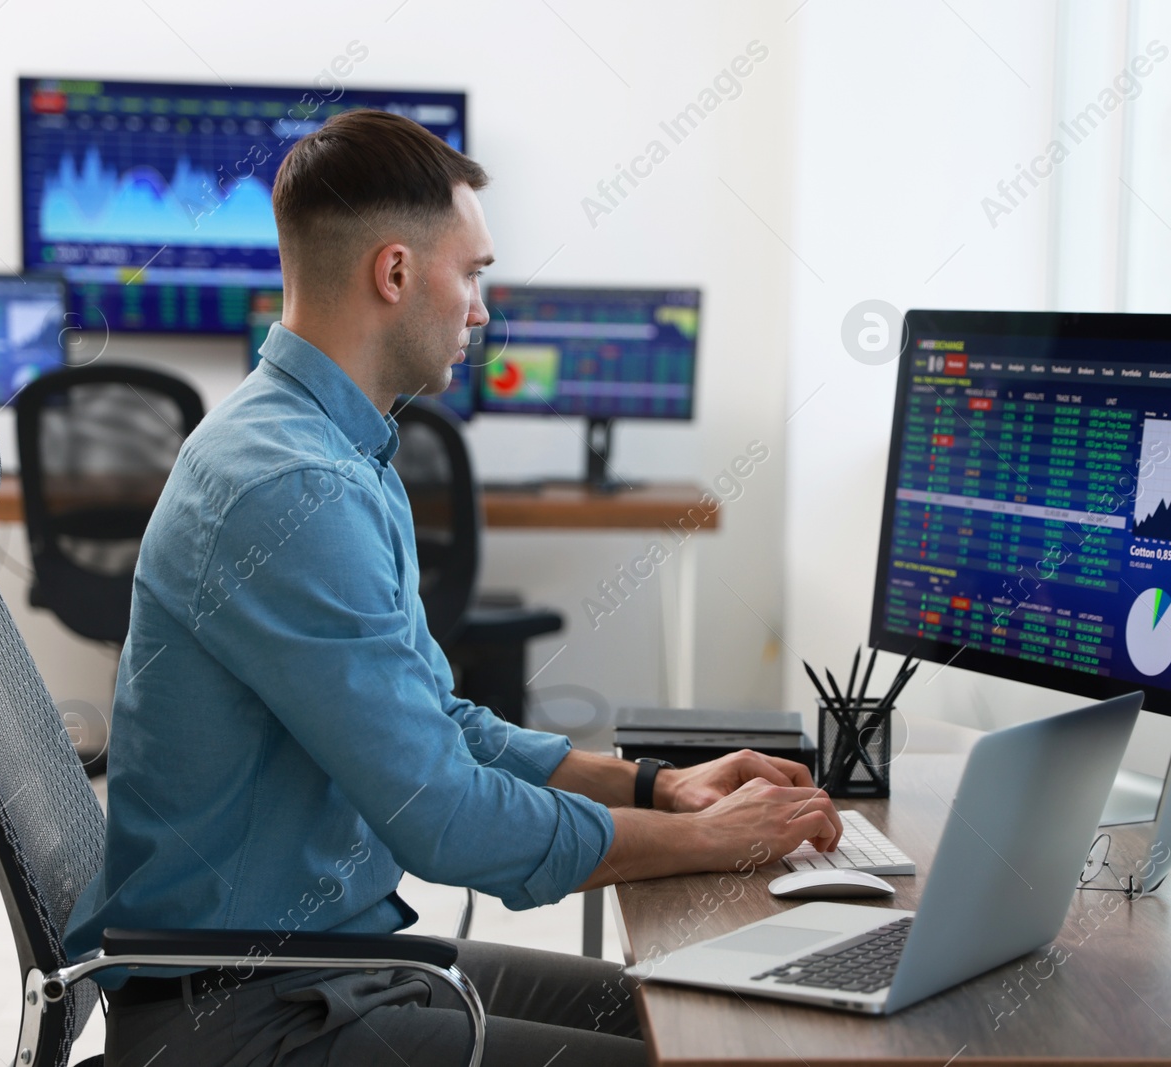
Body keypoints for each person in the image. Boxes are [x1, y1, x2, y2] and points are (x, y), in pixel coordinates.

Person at [63, 108, 841, 1067]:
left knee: (691, 1018)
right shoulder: (292, 485)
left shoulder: (333, 449)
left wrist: (660, 784)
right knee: (705, 1055)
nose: (482, 308)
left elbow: (443, 724)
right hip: (243, 1013)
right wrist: (714, 841)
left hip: (320, 964)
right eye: (472, 273)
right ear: (393, 273)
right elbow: (448, 819)